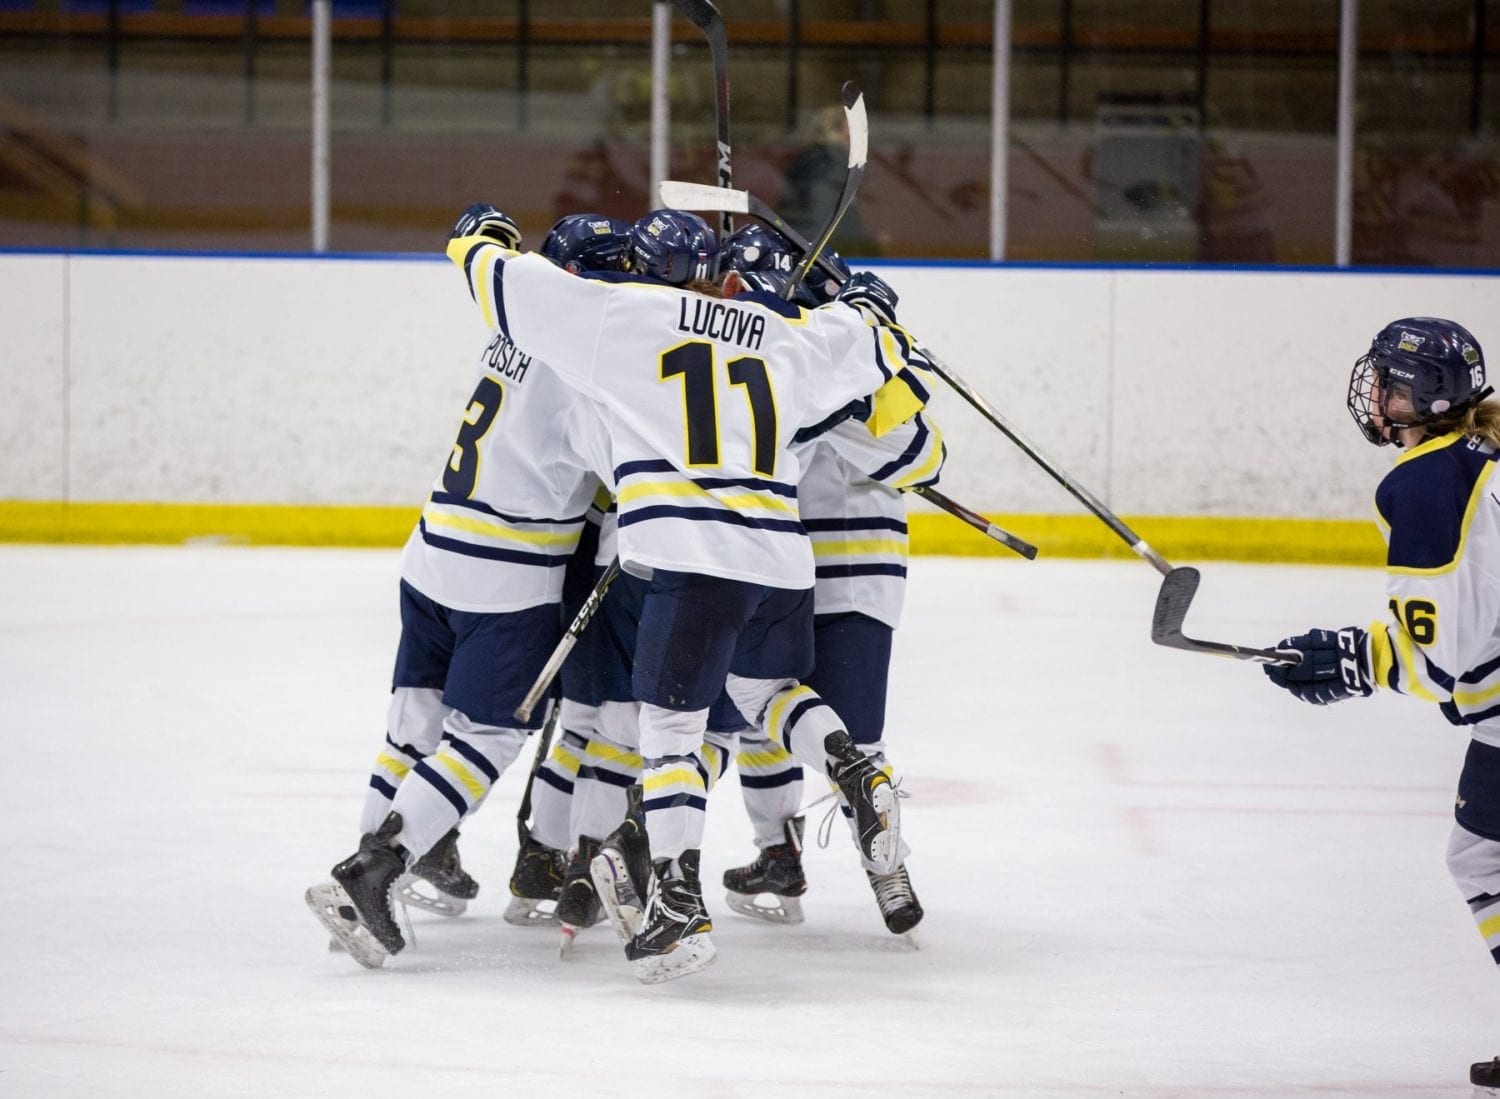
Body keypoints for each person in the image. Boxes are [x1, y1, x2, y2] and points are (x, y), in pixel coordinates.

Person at [445, 206, 935, 982]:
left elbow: (509, 286)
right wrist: (867, 300)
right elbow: (876, 345)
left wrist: (475, 241)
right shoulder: (783, 332)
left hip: (689, 555)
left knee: (671, 731)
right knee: (766, 691)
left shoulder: (626, 317)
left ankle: (677, 903)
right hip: (781, 559)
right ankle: (853, 767)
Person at [304, 207, 615, 969]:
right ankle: (373, 870)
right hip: (504, 578)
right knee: (489, 735)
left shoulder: (509, 331)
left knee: (413, 724)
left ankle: (383, 854)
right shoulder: (586, 370)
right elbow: (629, 477)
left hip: (431, 553)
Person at [1260, 317, 1499, 1093]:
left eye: (1392, 385)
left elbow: (1442, 656)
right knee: (1483, 852)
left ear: (1428, 398)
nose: (1378, 396)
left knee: (1484, 856)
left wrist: (1351, 658)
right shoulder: (1483, 451)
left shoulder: (1427, 481)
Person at [716, 227, 940, 937]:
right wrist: (863, 384)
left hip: (794, 567)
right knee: (811, 731)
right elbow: (924, 458)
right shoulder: (850, 357)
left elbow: (923, 455)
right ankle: (826, 864)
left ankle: (794, 856)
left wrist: (851, 395)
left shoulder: (804, 358)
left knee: (775, 712)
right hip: (842, 570)